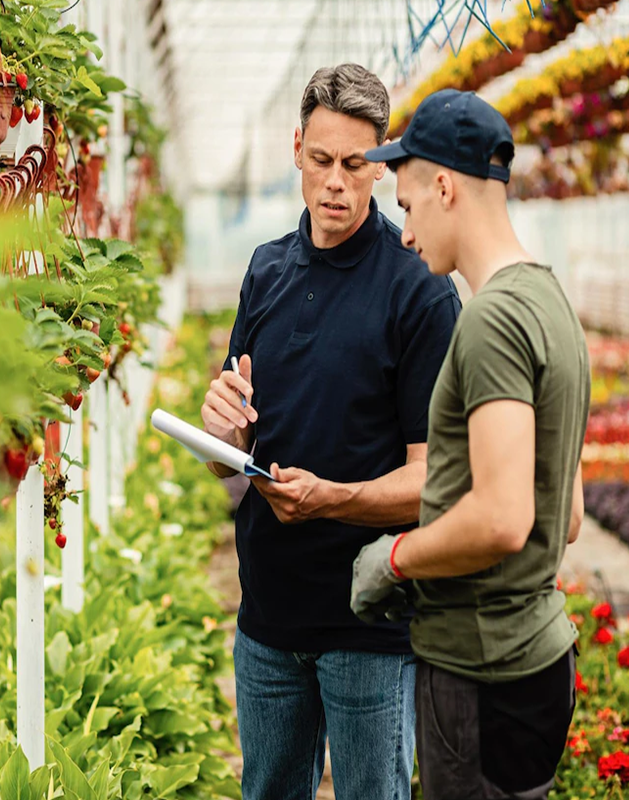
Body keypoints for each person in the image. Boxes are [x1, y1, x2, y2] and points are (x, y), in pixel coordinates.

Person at [200, 64, 461, 800]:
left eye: (355, 164)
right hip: (268, 618)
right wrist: (221, 433)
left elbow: (434, 481)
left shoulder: (418, 288)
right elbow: (233, 455)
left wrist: (333, 499)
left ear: (381, 165)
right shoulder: (266, 270)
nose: (336, 184)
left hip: (369, 624)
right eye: (321, 161)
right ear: (297, 150)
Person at [351, 89, 590, 800]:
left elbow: (501, 518)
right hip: (538, 659)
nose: (406, 232)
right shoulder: (550, 303)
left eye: (408, 205)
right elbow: (565, 516)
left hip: (482, 675)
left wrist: (393, 558)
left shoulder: (490, 323)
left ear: (445, 188)